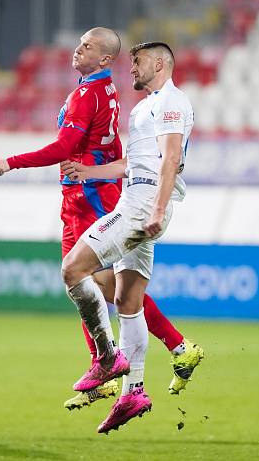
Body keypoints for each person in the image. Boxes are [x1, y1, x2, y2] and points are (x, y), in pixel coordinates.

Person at [0, 28, 203, 409]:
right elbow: (122, 152)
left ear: (105, 57)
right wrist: (93, 170)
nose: (77, 49)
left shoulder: (98, 94)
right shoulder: (115, 97)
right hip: (83, 194)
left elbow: (66, 147)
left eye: (87, 45)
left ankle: (162, 350)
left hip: (95, 200)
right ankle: (114, 374)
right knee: (98, 289)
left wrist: (12, 162)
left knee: (101, 286)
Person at [58, 41, 194, 433]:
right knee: (127, 300)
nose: (130, 68)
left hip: (140, 207)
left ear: (159, 63)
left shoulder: (171, 101)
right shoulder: (141, 110)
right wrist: (89, 172)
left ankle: (106, 357)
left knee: (73, 270)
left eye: (136, 62)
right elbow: (131, 164)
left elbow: (170, 159)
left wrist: (155, 209)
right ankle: (133, 392)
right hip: (135, 199)